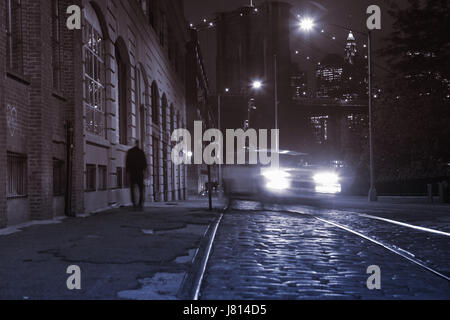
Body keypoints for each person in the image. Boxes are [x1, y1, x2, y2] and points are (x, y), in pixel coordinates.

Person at [126, 140, 147, 210]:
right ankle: (140, 204)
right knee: (141, 189)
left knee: (132, 188)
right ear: (138, 144)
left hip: (132, 173)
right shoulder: (141, 152)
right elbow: (145, 163)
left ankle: (134, 204)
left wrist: (127, 171)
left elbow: (127, 162)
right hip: (139, 173)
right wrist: (144, 170)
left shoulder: (130, 152)